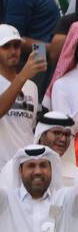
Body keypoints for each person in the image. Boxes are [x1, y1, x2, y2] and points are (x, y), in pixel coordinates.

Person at [0, 24, 43, 164]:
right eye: (6, 46)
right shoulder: (24, 78)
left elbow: (29, 129)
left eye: (17, 46)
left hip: (27, 167)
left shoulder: (32, 86)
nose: (13, 51)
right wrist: (23, 76)